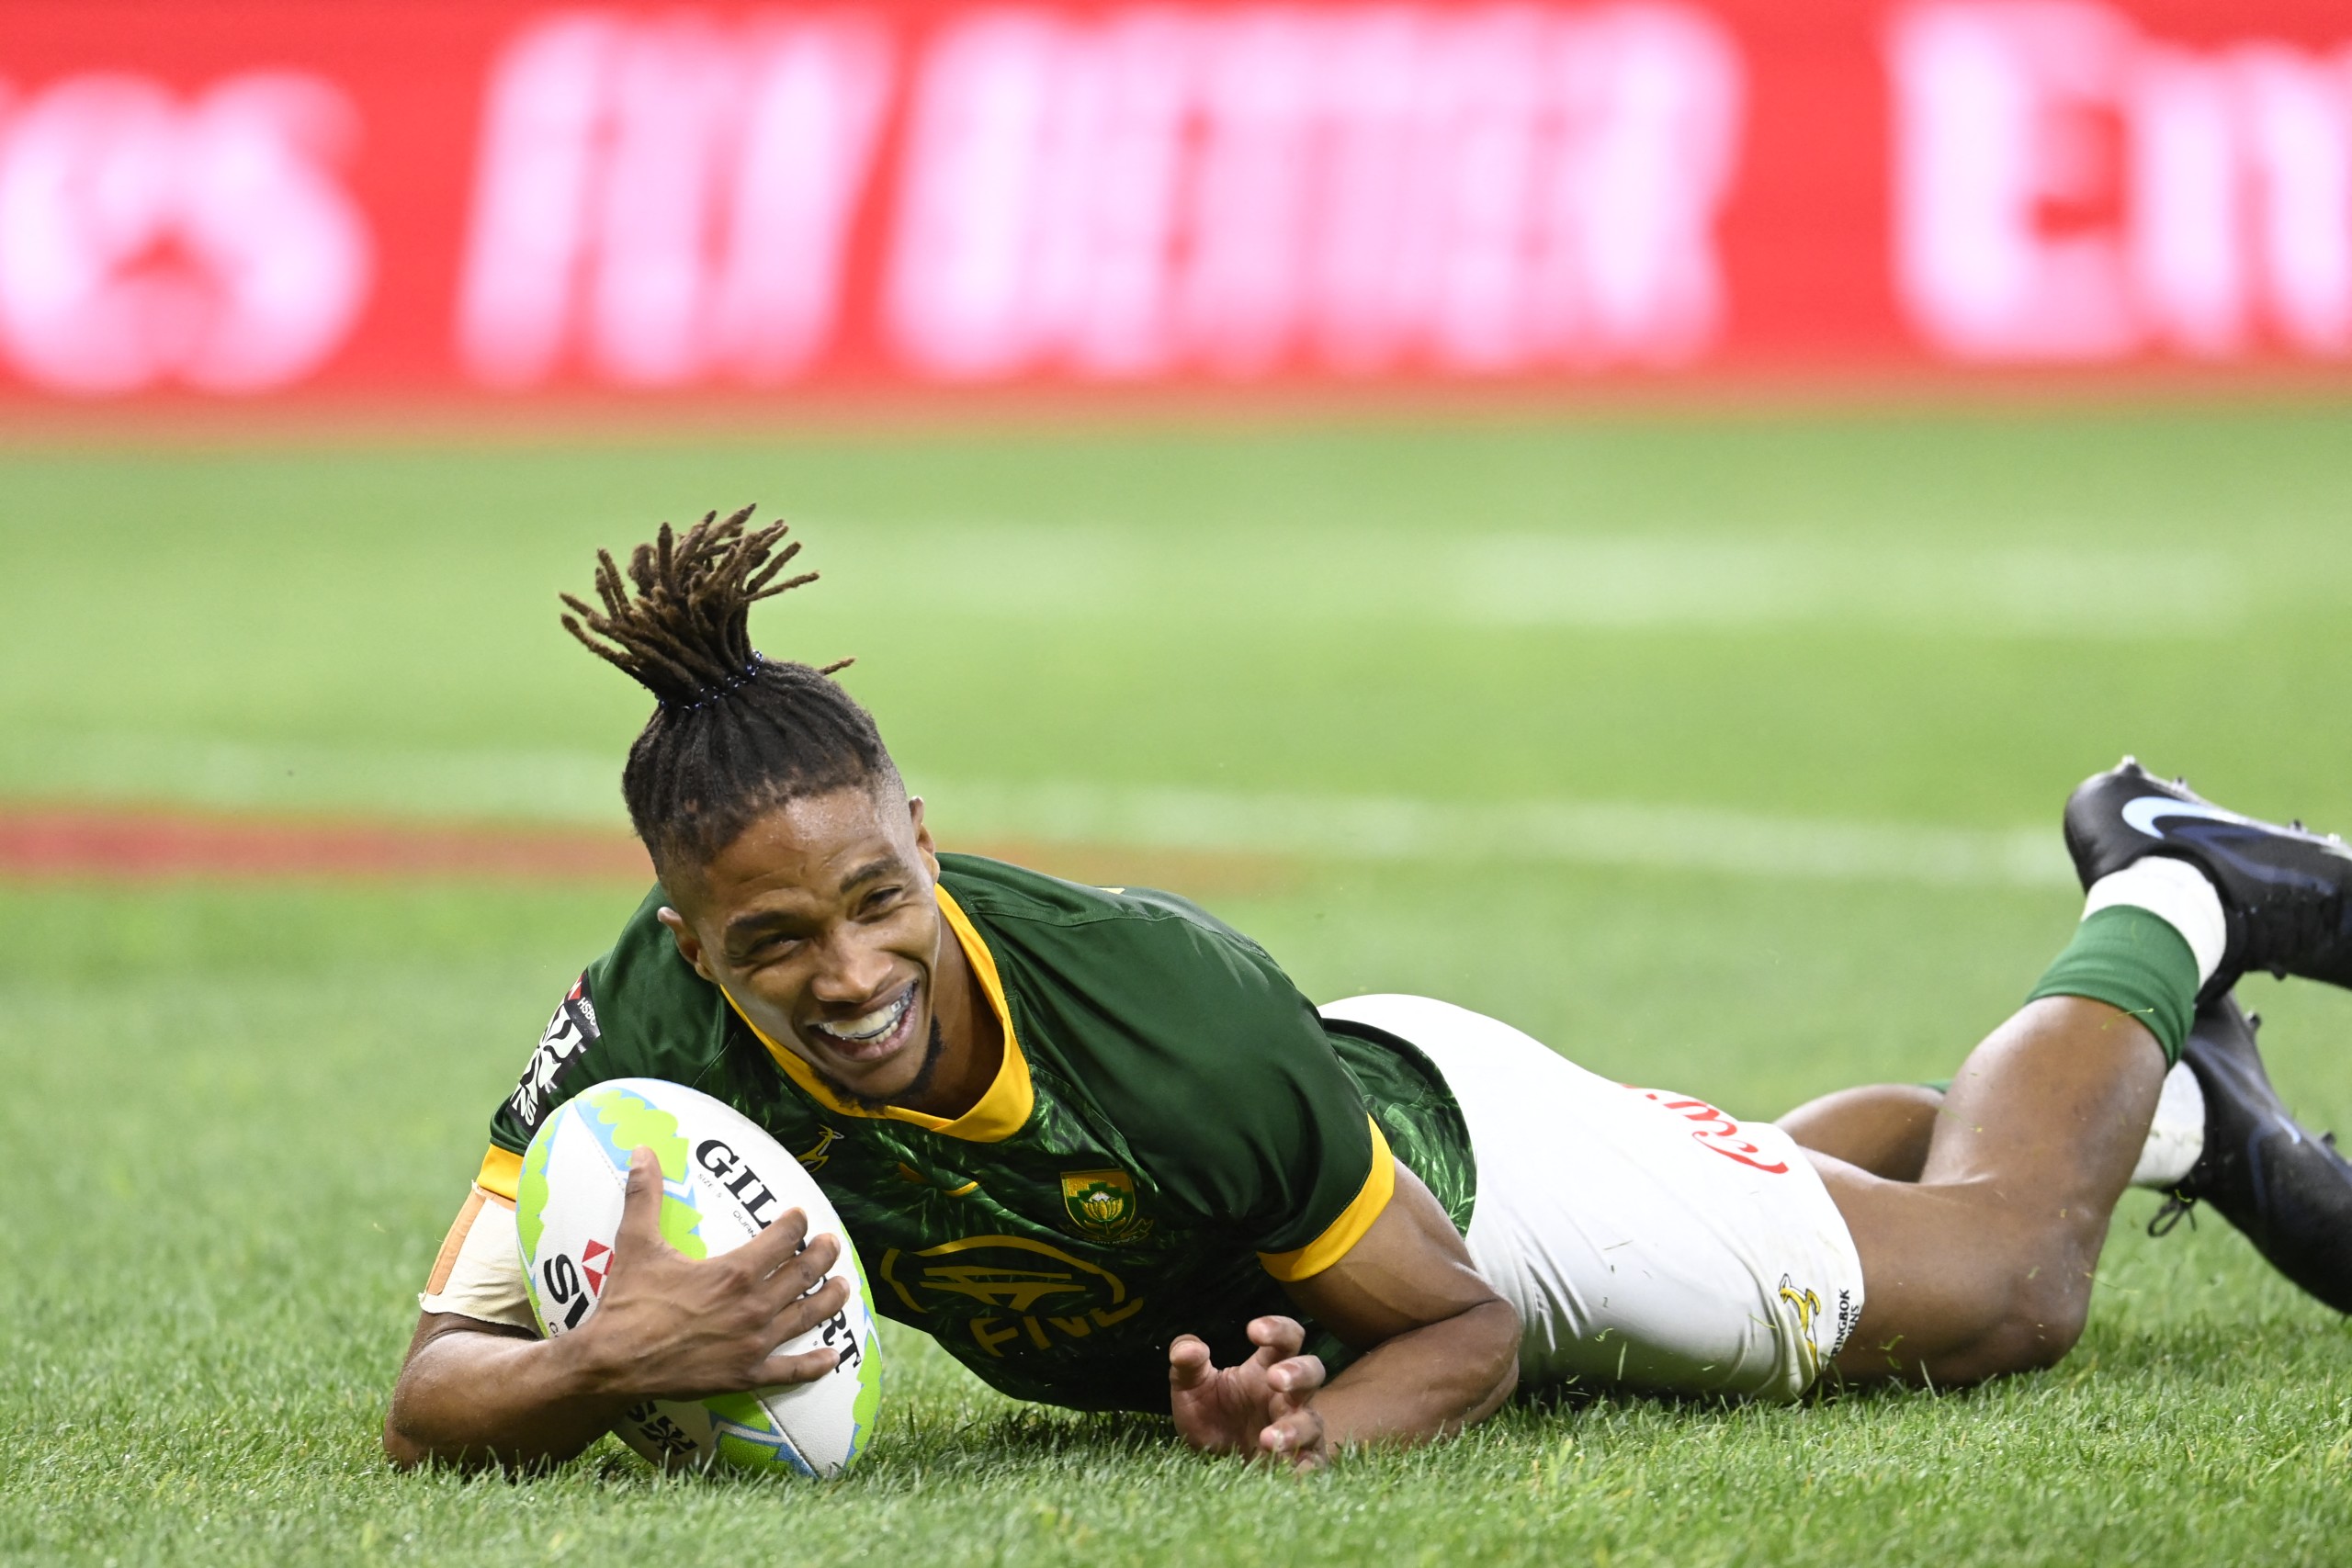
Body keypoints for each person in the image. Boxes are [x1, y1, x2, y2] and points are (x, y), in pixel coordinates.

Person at [383, 508, 2352, 1474]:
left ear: (925, 836)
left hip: (1484, 1191)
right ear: (683, 936)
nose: (846, 974)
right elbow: (430, 1395)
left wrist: (1306, 1437)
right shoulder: (636, 1043)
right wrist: (596, 1363)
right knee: (1800, 1191)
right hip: (1321, 1221)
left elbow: (1466, 1329)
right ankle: (2171, 1112)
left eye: (877, 901)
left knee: (2002, 1284)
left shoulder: (1157, 1012)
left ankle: (2166, 887)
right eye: (769, 946)